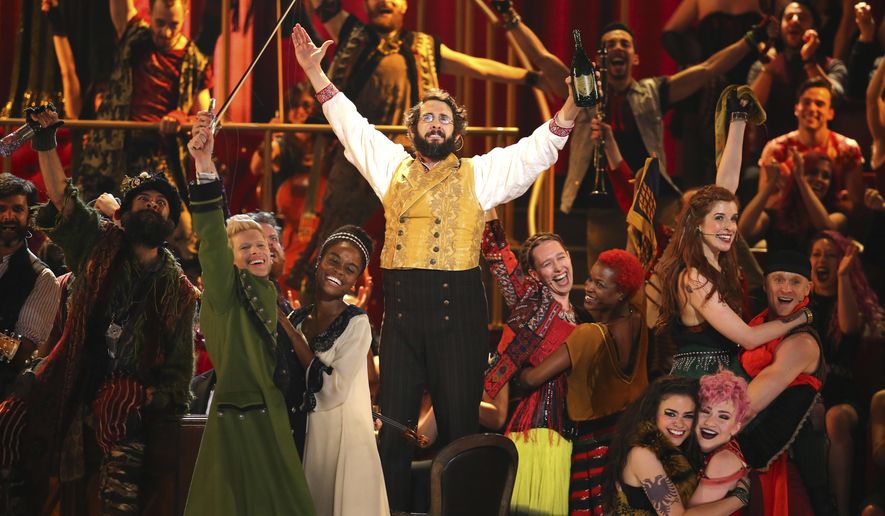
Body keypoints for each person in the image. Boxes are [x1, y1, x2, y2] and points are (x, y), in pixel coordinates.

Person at [290, 22, 581, 510]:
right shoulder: (390, 167)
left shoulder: (480, 175)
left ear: (457, 132)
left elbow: (536, 151)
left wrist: (571, 105)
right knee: (396, 433)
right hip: (402, 319)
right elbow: (353, 127)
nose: (436, 124)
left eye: (444, 119)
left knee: (460, 428)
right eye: (428, 118)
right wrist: (316, 73)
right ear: (413, 129)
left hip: (458, 320)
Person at [0, 105, 198, 514]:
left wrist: (156, 396)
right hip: (71, 366)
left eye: (161, 203)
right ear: (124, 214)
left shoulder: (180, 291)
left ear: (170, 222)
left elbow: (180, 370)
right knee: (12, 413)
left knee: (119, 405)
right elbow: (62, 198)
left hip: (127, 385)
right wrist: (46, 141)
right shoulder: (98, 244)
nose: (151, 205)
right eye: (143, 199)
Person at [290, 0, 551, 294]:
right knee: (337, 235)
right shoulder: (350, 31)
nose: (384, 2)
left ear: (405, 6)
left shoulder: (424, 47)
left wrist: (531, 78)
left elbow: (478, 67)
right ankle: (321, 305)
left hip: (408, 166)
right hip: (357, 164)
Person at [183, 114, 316, 515]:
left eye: (262, 244)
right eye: (246, 248)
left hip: (271, 417)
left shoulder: (269, 291)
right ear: (231, 260)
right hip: (240, 423)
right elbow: (210, 237)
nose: (257, 251)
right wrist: (204, 166)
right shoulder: (225, 292)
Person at [517, 248, 648, 515]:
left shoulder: (588, 335)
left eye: (600, 285)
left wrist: (515, 359)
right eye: (590, 278)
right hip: (628, 440)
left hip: (593, 447)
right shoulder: (637, 319)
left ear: (620, 293)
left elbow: (531, 380)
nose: (588, 287)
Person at [78, 0, 212, 258]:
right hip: (112, 151)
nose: (165, 32)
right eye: (159, 23)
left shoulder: (194, 59)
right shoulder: (133, 34)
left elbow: (204, 117)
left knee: (181, 232)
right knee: (95, 219)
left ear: (185, 13)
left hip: (157, 155)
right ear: (148, 13)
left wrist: (180, 116)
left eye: (173, 25)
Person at [479, 207, 585, 516]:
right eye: (547, 264)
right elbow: (499, 253)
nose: (559, 267)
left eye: (561, 257)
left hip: (569, 437)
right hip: (536, 434)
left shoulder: (583, 319)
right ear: (536, 275)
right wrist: (488, 196)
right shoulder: (532, 301)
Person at [286, 226, 388, 516]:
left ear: (355, 281)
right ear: (318, 260)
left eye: (349, 268)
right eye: (333, 260)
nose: (338, 271)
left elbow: (331, 390)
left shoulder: (356, 323)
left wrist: (292, 337)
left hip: (343, 445)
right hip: (303, 438)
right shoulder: (297, 318)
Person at [735, 249, 830, 515]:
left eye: (795, 281)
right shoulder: (757, 326)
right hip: (746, 454)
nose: (786, 287)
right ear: (765, 284)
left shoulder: (802, 341)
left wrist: (704, 434)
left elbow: (748, 406)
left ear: (807, 289)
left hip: (782, 462)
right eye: (778, 279)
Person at [809, 231, 885, 516]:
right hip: (809, 392)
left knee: (834, 416)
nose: (822, 260)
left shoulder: (849, 302)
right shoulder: (800, 303)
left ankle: (840, 510)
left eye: (830, 255)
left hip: (846, 396)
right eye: (817, 254)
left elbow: (849, 328)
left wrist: (843, 278)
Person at [602, 375, 750, 515]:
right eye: (670, 414)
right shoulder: (643, 454)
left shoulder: (682, 448)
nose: (679, 423)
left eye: (688, 415)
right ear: (653, 414)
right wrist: (739, 499)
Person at [756, 78, 863, 218]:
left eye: (819, 104)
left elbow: (855, 205)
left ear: (831, 113)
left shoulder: (848, 149)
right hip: (786, 221)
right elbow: (766, 203)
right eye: (806, 102)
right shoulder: (776, 149)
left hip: (829, 221)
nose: (812, 109)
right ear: (796, 109)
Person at [748, 1, 847, 145]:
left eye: (802, 18)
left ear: (814, 27)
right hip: (770, 153)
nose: (794, 21)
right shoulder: (762, 66)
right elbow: (750, 110)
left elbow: (834, 100)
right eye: (789, 17)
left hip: (819, 149)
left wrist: (809, 61)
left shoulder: (833, 66)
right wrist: (768, 70)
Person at [0, 172, 60, 399]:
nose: (8, 216)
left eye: (17, 209)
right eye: (1, 208)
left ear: (29, 215)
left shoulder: (42, 278)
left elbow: (23, 353)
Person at [739, 148, 846, 253]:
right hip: (776, 269)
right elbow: (743, 231)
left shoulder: (837, 215)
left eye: (826, 176)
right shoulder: (777, 214)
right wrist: (770, 184)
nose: (819, 179)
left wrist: (800, 179)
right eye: (813, 173)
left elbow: (825, 229)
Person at [689, 370, 751, 507]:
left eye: (723, 416)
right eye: (705, 411)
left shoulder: (723, 460)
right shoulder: (707, 450)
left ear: (735, 427)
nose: (710, 422)